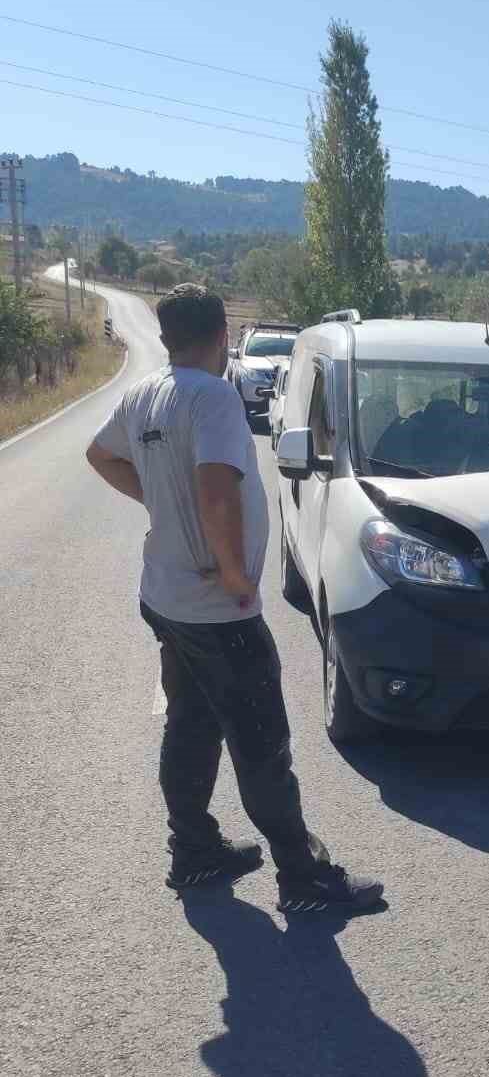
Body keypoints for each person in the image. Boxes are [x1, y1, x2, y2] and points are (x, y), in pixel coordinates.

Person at [84, 283, 383, 914]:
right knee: (262, 746)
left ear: (165, 339)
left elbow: (99, 454)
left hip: (166, 599)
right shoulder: (215, 396)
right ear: (223, 335)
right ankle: (303, 881)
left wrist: (157, 504)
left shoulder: (144, 394)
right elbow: (217, 491)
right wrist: (236, 576)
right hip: (218, 609)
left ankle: (193, 853)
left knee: (190, 725)